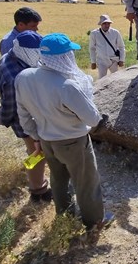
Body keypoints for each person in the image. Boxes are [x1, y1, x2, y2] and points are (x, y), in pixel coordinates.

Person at [15, 33, 110, 231]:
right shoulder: (67, 86)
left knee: (58, 181)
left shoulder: (24, 78)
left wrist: (36, 137)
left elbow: (23, 114)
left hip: (46, 140)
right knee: (86, 183)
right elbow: (92, 119)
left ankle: (65, 218)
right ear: (64, 57)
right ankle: (94, 222)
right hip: (73, 142)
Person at [0, 31, 52, 203]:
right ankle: (38, 189)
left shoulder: (9, 58)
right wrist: (3, 118)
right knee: (37, 152)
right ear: (24, 51)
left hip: (29, 115)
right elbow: (11, 103)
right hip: (25, 120)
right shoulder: (14, 75)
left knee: (35, 151)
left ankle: (38, 184)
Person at [89, 14, 125, 79]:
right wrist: (93, 62)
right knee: (101, 80)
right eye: (105, 23)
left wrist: (122, 60)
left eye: (108, 23)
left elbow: (121, 47)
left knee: (116, 79)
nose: (107, 25)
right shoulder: (94, 33)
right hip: (101, 61)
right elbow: (92, 48)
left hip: (113, 60)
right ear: (101, 24)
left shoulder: (115, 32)